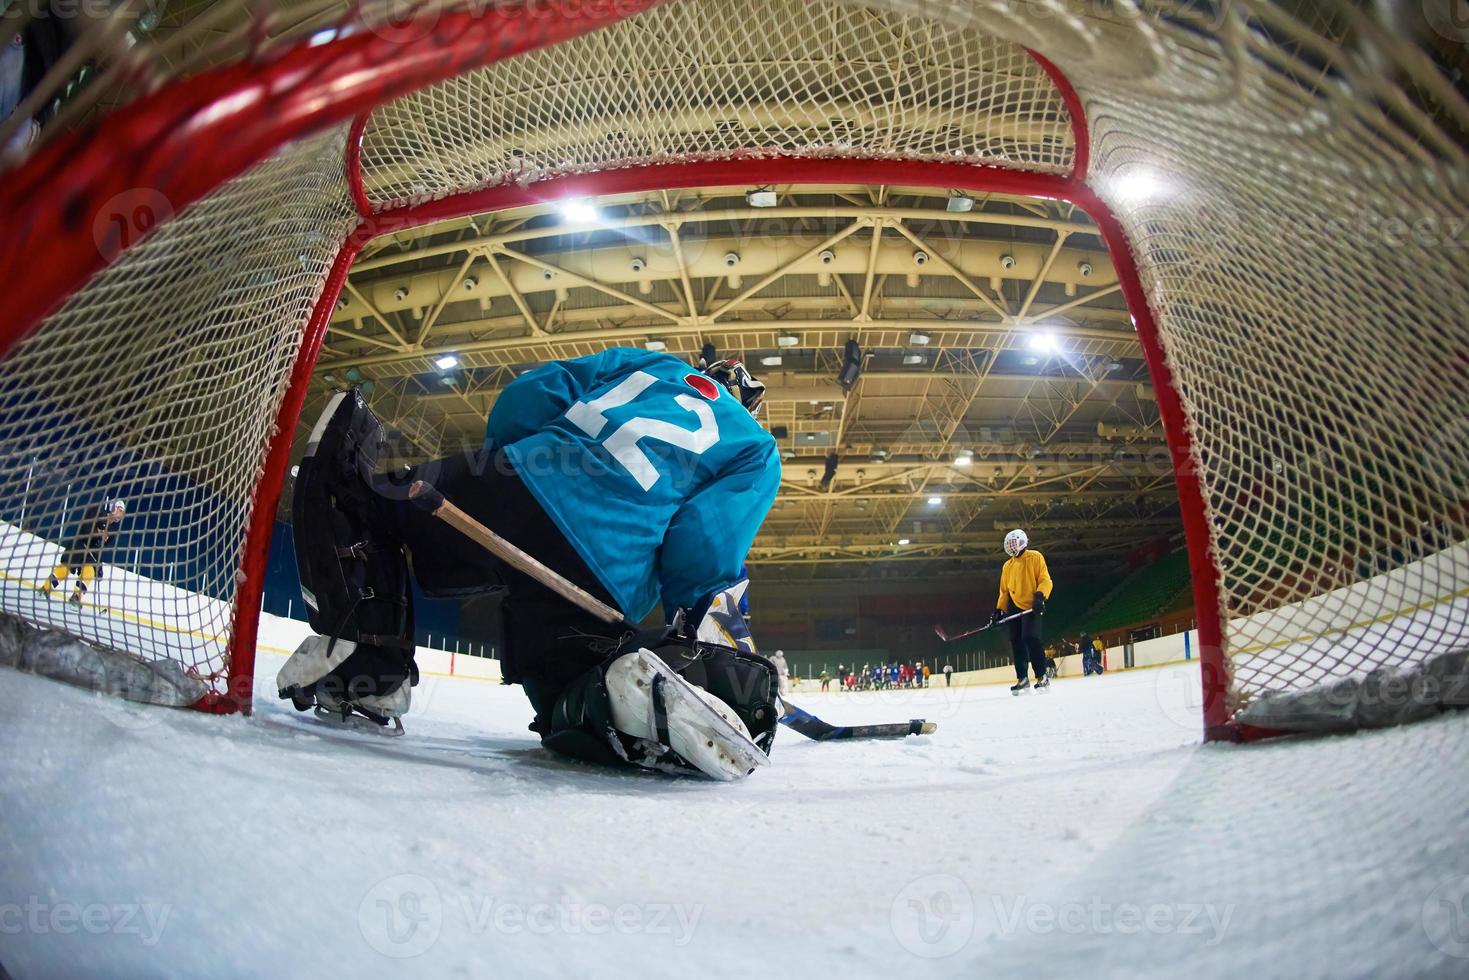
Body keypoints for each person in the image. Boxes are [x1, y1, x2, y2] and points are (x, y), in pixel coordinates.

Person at [278, 348, 783, 781]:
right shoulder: (756, 448)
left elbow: (530, 394)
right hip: (601, 574)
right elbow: (703, 543)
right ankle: (616, 704)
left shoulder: (648, 363)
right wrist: (691, 624)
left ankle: (369, 674)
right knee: (567, 706)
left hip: (518, 483)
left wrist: (517, 467)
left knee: (365, 505)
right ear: (749, 403)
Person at [991, 528, 1053, 694]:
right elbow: (1004, 591)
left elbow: (1045, 580)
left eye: (1014, 543)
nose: (1012, 547)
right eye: (1009, 544)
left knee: (1030, 638)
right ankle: (1022, 679)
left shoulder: (1034, 557)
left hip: (1032, 606)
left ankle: (1042, 676)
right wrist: (999, 610)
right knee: (1015, 641)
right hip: (1015, 607)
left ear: (1023, 542)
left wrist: (1040, 597)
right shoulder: (1007, 566)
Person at [39, 498, 126, 606]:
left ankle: (76, 597)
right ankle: (45, 588)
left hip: (90, 553)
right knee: (67, 567)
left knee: (89, 571)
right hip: (79, 545)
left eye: (122, 511)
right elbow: (86, 528)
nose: (121, 513)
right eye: (119, 509)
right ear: (112, 507)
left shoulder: (113, 530)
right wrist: (98, 534)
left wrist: (99, 566)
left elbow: (100, 547)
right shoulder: (97, 512)